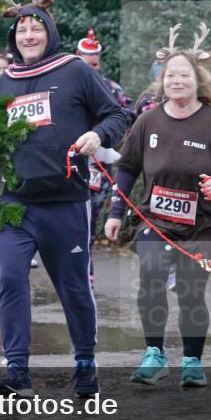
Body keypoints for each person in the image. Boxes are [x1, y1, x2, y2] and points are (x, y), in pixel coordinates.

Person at [0, 0, 126, 398]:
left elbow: (117, 116)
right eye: (22, 30)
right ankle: (17, 371)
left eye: (36, 28)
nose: (28, 35)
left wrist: (98, 136)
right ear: (14, 38)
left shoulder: (75, 70)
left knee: (75, 290)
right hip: (15, 204)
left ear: (49, 32)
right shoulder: (4, 81)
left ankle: (85, 364)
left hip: (66, 203)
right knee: (10, 280)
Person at [105, 23, 211, 388]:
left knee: (190, 291)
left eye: (184, 75)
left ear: (197, 80)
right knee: (151, 280)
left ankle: (192, 361)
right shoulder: (148, 120)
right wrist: (116, 212)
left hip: (202, 225)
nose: (177, 81)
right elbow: (127, 167)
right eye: (171, 75)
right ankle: (154, 354)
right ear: (162, 81)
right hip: (156, 220)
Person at [75, 29, 135, 283]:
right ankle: (69, 267)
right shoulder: (66, 85)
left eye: (95, 65)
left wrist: (106, 132)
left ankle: (85, 269)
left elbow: (127, 116)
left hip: (99, 163)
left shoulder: (110, 88)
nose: (91, 69)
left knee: (90, 216)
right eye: (86, 64)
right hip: (67, 161)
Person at [0, 47, 39, 270]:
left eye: (5, 68)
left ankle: (20, 243)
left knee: (17, 195)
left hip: (16, 156)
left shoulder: (20, 91)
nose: (2, 72)